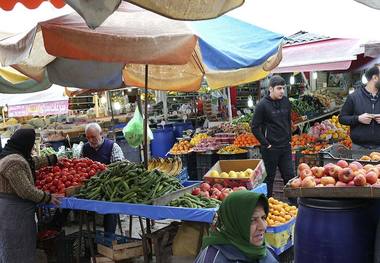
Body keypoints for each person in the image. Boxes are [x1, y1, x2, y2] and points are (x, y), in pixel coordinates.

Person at [0, 129, 60, 263]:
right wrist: (48, 197)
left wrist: (52, 159)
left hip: (15, 211)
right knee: (17, 246)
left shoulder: (13, 154)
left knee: (20, 245)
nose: (33, 147)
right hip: (13, 212)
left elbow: (31, 163)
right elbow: (25, 190)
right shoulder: (13, 162)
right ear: (25, 143)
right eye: (32, 144)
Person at [194, 191, 278, 263]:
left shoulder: (265, 250)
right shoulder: (214, 258)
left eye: (263, 218)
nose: (262, 227)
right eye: (252, 220)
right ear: (233, 222)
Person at [251, 75, 294, 198]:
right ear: (271, 89)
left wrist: (290, 139)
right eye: (279, 88)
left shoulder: (286, 102)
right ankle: (268, 204)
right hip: (270, 149)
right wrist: (266, 144)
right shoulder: (262, 105)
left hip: (285, 147)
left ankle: (294, 205)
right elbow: (254, 127)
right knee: (269, 178)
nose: (282, 91)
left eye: (283, 88)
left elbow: (287, 121)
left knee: (290, 176)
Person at [81, 122, 125, 234]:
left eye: (93, 137)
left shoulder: (112, 146)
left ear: (101, 134)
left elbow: (119, 169)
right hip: (91, 186)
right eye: (88, 137)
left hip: (110, 186)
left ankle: (108, 237)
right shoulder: (85, 148)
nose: (91, 140)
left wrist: (104, 172)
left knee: (110, 206)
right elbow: (80, 169)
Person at [339, 64, 380, 154]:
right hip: (359, 148)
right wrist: (358, 119)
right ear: (375, 78)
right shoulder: (354, 97)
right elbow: (342, 118)